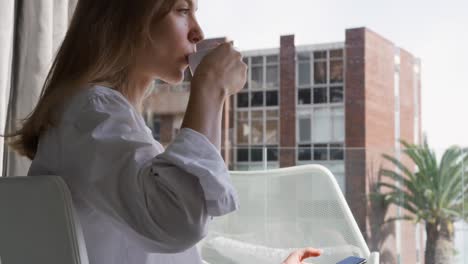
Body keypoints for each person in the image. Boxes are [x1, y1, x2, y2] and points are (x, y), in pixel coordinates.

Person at [4, 0, 321, 263]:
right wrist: (209, 89)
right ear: (127, 18)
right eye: (183, 10)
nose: (198, 31)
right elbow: (178, 222)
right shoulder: (92, 115)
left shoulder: (104, 121)